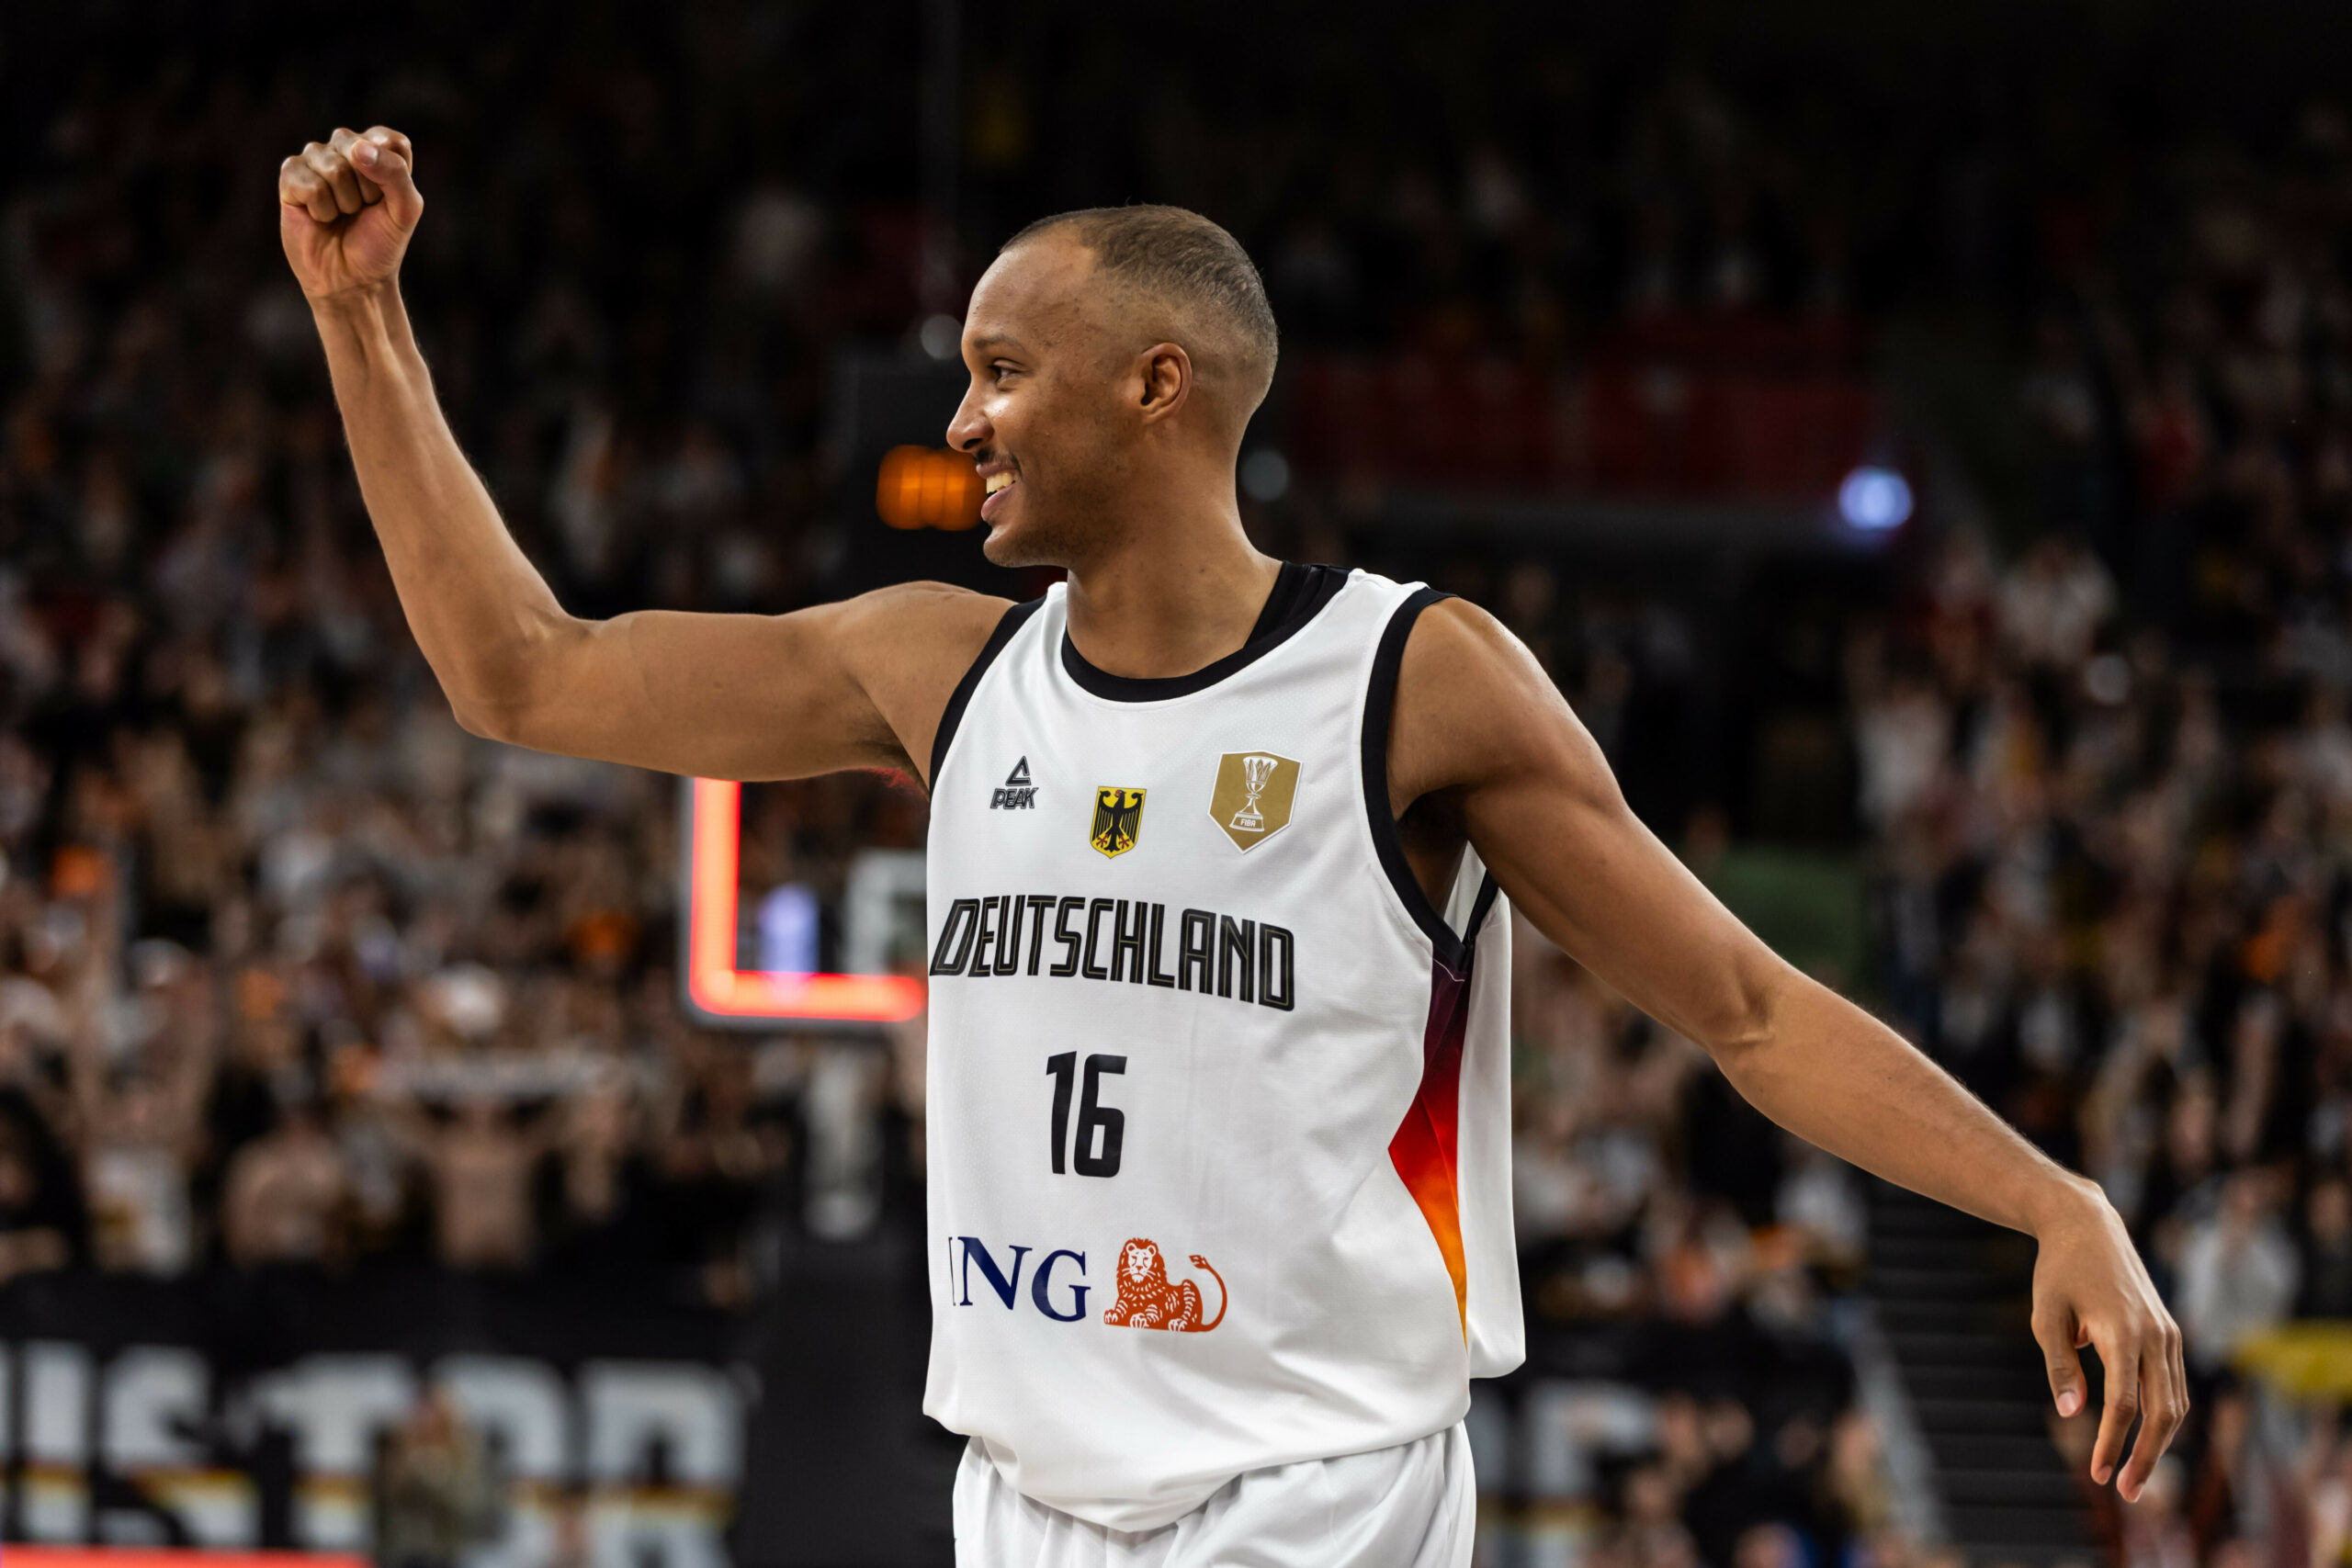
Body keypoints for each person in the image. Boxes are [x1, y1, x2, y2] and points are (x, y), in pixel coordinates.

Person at [277, 125, 2186, 1567]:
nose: (964, 418)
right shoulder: (930, 672)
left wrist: (2047, 1198)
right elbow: (521, 671)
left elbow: (1747, 1008)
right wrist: (363, 326)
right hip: (1023, 1495)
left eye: (1003, 367)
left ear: (1156, 385)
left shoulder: (1413, 680)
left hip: (1316, 1498)